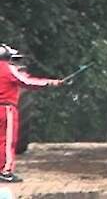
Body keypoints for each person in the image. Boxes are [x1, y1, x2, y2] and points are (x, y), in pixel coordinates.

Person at [0, 44, 64, 183]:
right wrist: (51, 83)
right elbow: (27, 82)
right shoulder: (8, 68)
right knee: (8, 141)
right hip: (6, 109)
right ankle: (6, 172)